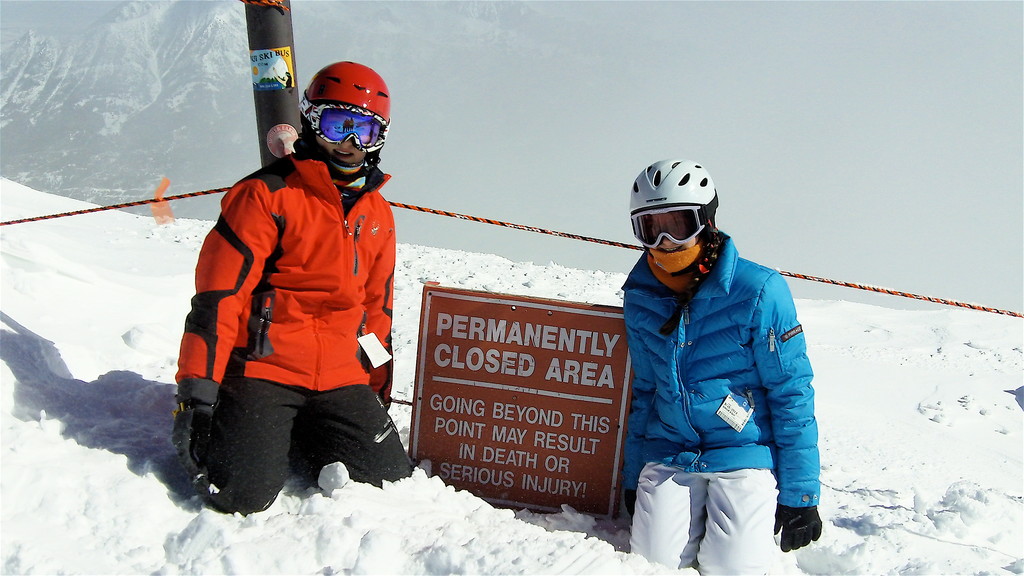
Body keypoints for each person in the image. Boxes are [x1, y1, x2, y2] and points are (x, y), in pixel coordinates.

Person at [172, 61, 412, 515]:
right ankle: (250, 422)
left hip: (340, 374)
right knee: (241, 495)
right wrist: (196, 396)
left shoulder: (377, 213)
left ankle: (300, 427)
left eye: (364, 129)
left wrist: (374, 388)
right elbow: (218, 299)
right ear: (310, 122)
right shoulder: (266, 196)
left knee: (389, 484)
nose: (350, 143)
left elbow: (376, 309)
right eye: (338, 124)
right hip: (266, 369)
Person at [620, 159, 822, 574]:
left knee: (734, 569)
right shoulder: (641, 295)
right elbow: (646, 390)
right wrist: (632, 473)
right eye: (649, 227)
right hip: (671, 451)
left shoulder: (759, 291)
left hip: (743, 451)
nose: (664, 241)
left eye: (678, 224)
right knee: (651, 564)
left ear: (706, 221)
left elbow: (791, 391)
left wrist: (801, 494)